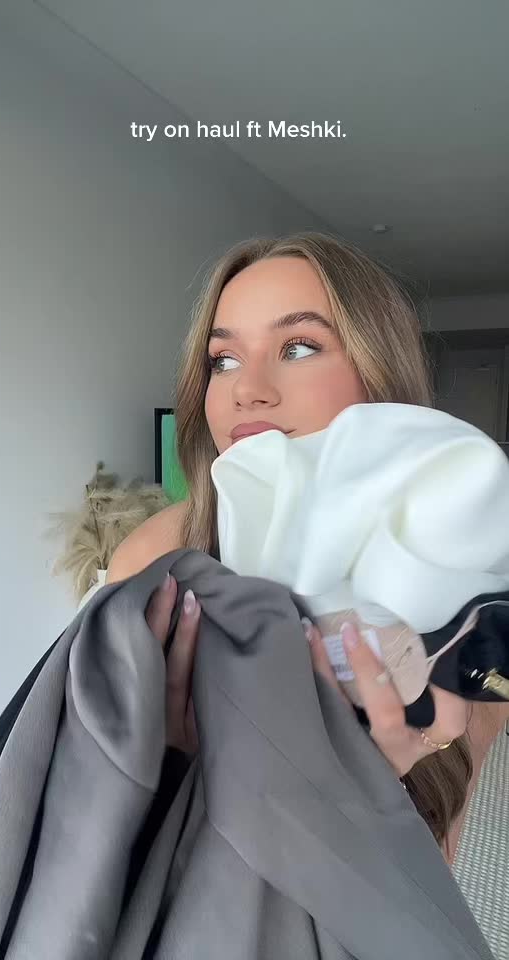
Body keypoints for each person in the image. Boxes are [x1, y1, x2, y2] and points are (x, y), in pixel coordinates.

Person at [107, 231, 509, 861]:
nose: (247, 389)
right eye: (223, 360)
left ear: (378, 375)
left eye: (298, 347)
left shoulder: (465, 585)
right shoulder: (155, 558)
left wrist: (383, 784)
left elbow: (437, 863)